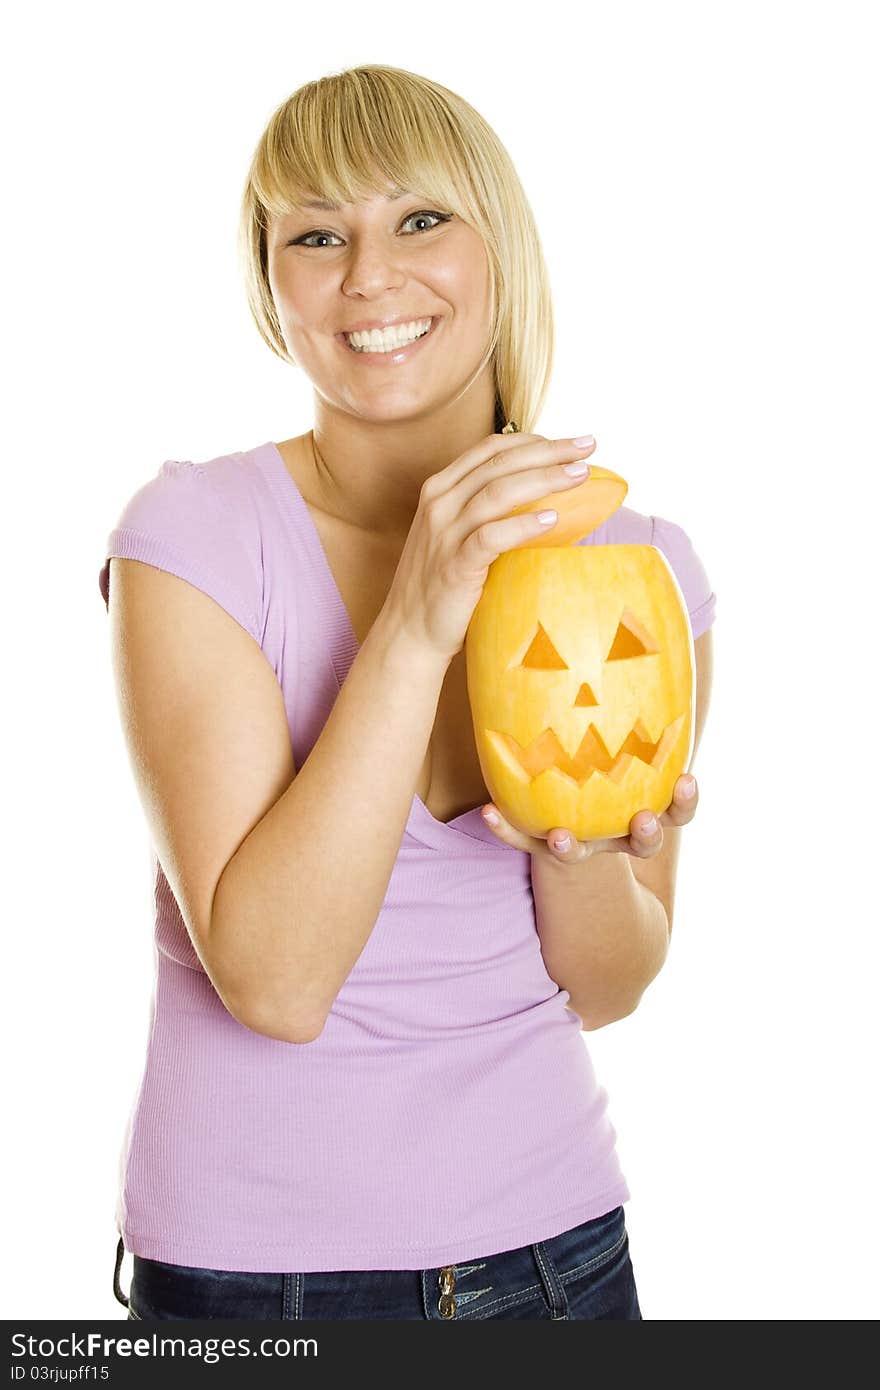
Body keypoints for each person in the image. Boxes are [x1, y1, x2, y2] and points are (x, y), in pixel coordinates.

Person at [99, 64, 716, 1322]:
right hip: (252, 1287)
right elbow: (274, 982)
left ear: (501, 248)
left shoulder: (636, 565)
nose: (369, 275)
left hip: (562, 1257)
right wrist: (419, 617)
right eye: (316, 235)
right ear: (272, 289)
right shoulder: (195, 539)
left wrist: (587, 849)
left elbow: (607, 986)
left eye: (418, 218)